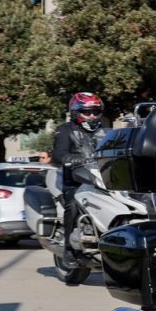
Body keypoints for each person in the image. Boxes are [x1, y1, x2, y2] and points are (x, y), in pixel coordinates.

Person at [51, 92, 105, 263]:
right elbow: (57, 154)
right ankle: (68, 248)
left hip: (101, 178)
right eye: (87, 112)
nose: (92, 116)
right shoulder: (65, 130)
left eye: (95, 112)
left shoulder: (104, 130)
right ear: (75, 112)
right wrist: (69, 158)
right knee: (73, 204)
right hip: (75, 180)